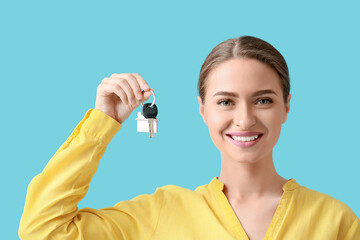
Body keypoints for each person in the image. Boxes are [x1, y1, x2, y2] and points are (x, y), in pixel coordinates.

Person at [19, 36, 359, 240]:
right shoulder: (160, 214)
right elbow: (43, 230)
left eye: (264, 100)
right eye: (225, 101)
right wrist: (102, 122)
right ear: (202, 110)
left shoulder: (336, 220)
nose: (244, 119)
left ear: (286, 107)